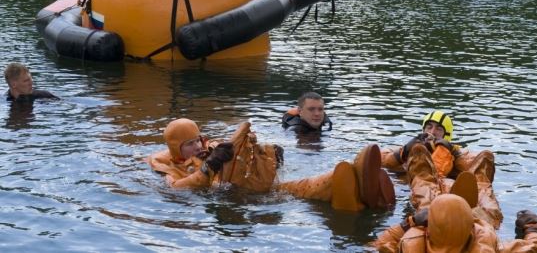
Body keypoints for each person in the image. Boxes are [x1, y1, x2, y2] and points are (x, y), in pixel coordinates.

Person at [147, 118, 395, 212]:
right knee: (284, 197)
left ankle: (347, 184)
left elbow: (242, 157)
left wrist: (271, 157)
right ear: (175, 149)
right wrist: (206, 168)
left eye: (198, 139)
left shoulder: (213, 147)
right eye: (189, 144)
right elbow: (177, 188)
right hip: (233, 198)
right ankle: (350, 190)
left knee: (293, 189)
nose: (198, 146)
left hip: (247, 190)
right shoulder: (167, 167)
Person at [381, 110, 503, 228]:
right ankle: (427, 214)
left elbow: (475, 169)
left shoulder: (457, 152)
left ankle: (487, 216)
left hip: (448, 189)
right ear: (423, 130)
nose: (432, 132)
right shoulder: (408, 149)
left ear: (447, 134)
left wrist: (454, 153)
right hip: (409, 190)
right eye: (429, 127)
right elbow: (380, 158)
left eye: (439, 129)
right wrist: (404, 152)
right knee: (419, 156)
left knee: (486, 160)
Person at [371, 193, 537, 253]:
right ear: (471, 227)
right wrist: (533, 227)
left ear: (429, 230)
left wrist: (409, 222)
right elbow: (534, 247)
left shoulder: (409, 245)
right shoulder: (486, 246)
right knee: (487, 209)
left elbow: (377, 244)